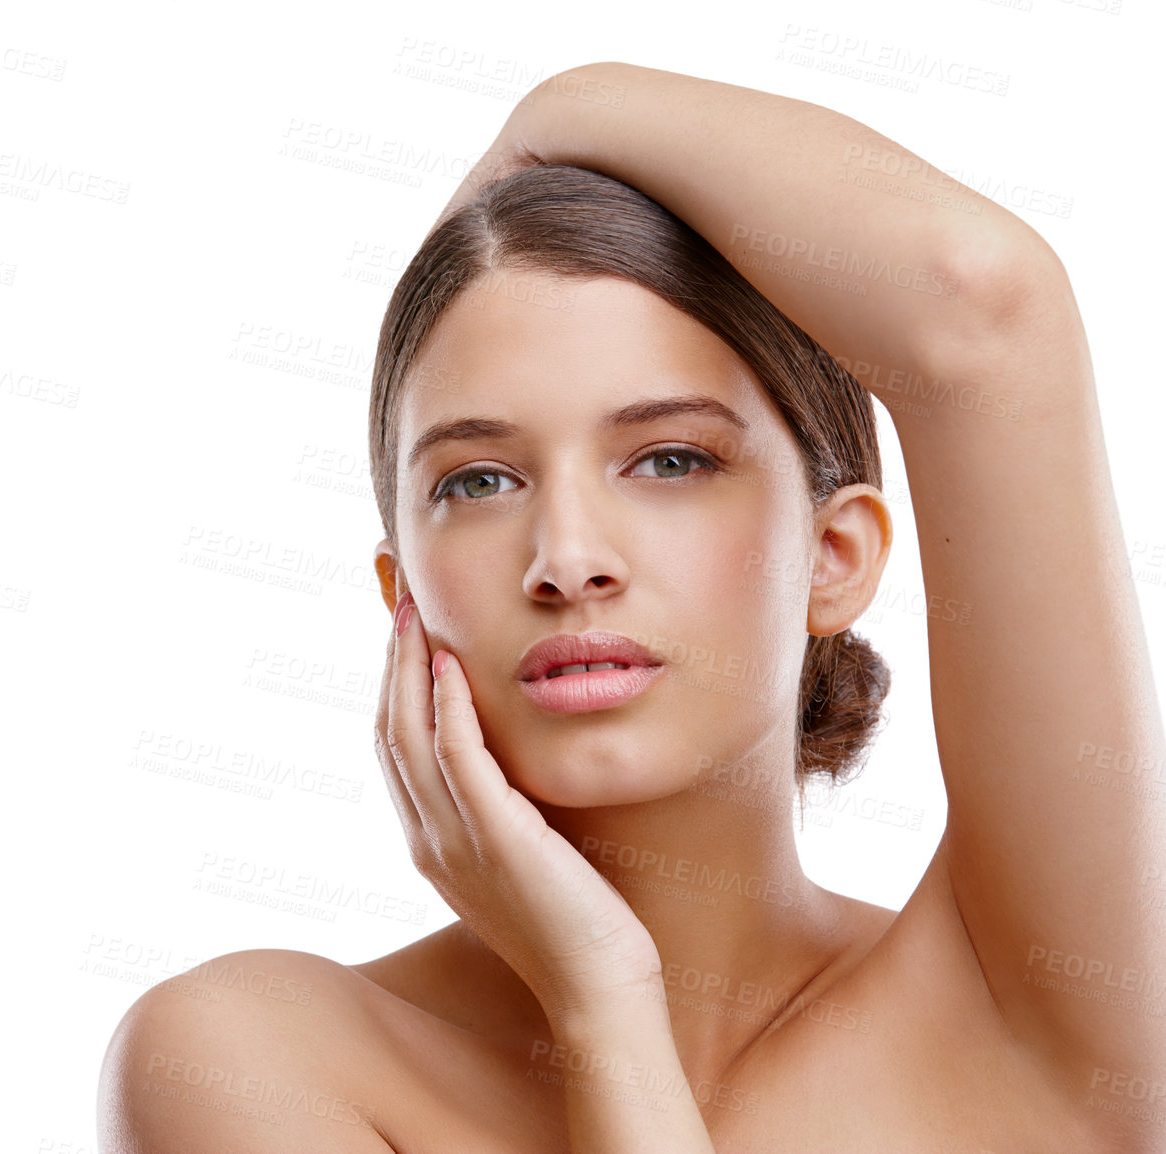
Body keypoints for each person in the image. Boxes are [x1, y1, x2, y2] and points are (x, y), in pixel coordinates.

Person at [97, 61, 1164, 1152]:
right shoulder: (256, 1060)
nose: (565, 558)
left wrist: (552, 118)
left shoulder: (1027, 1011)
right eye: (478, 480)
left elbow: (982, 303)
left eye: (667, 460)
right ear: (401, 591)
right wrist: (599, 989)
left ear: (834, 556)